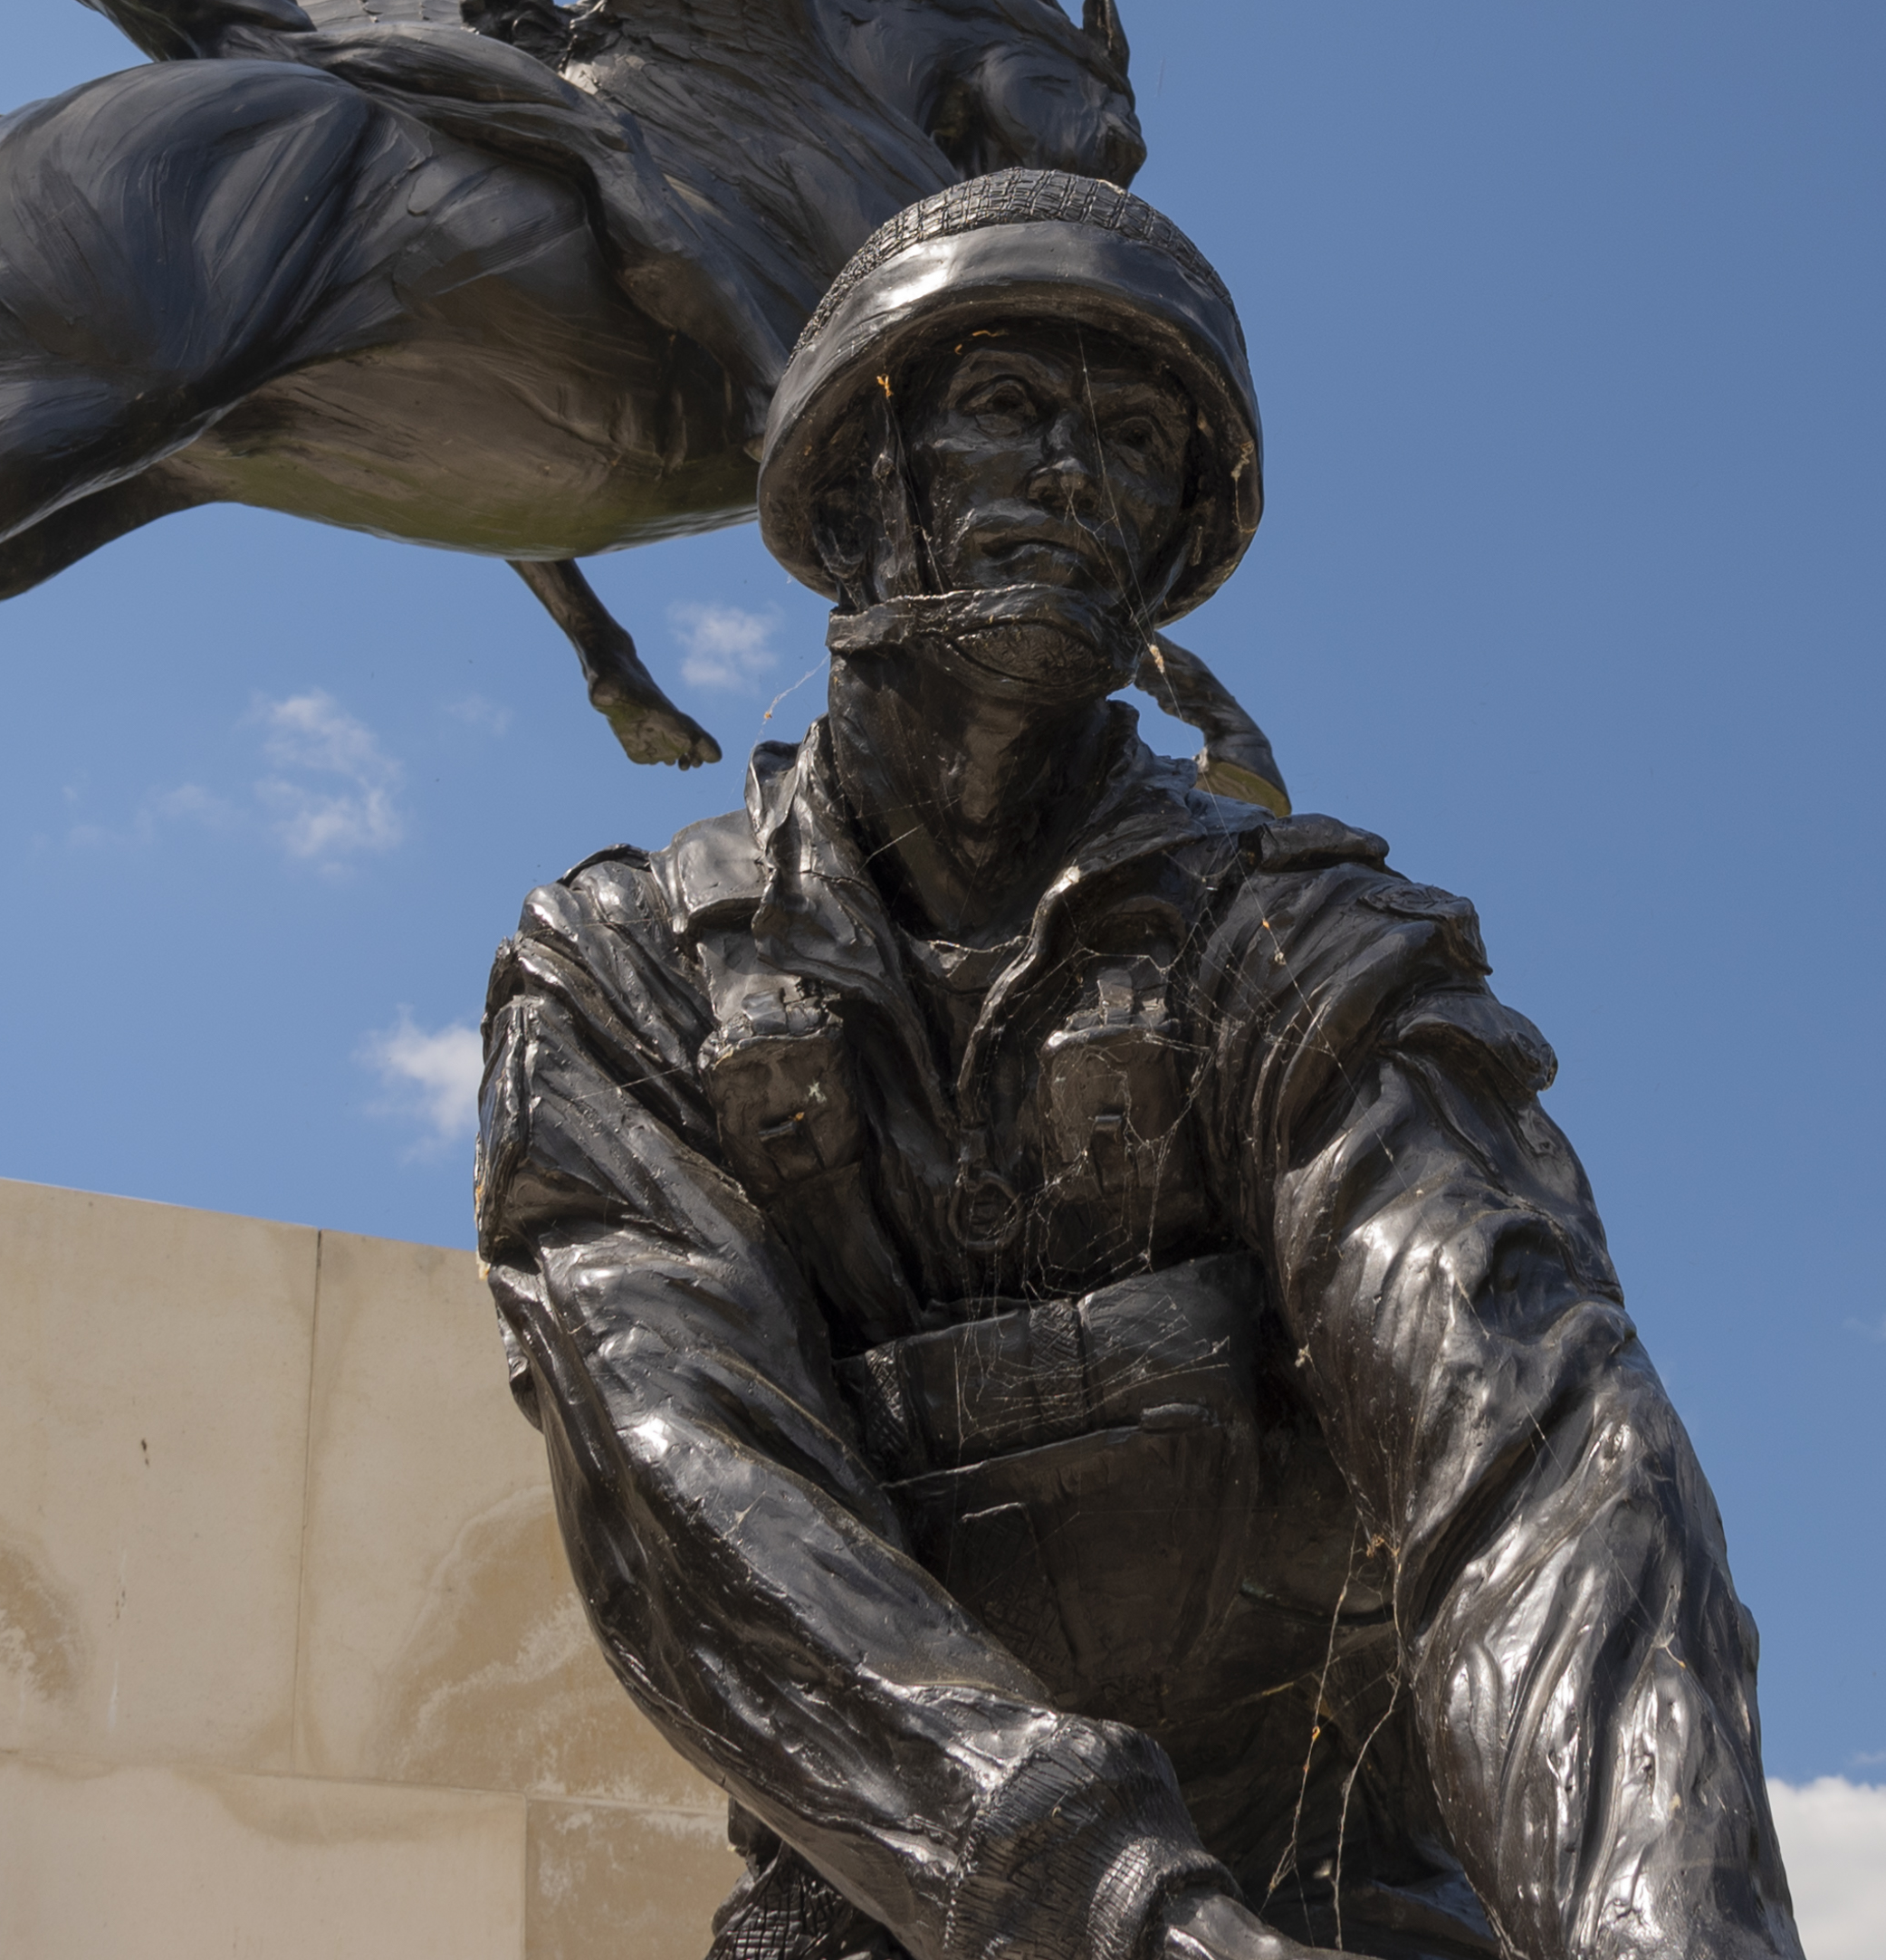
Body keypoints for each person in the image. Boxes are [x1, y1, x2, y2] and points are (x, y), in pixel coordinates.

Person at [474, 172, 1801, 1960]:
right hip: (905, 1917)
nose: (1082, 478)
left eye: (1135, 442)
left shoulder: (1305, 948)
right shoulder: (624, 968)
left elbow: (1543, 1461)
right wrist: (1115, 1913)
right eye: (1012, 413)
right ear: (858, 490)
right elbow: (688, 1487)